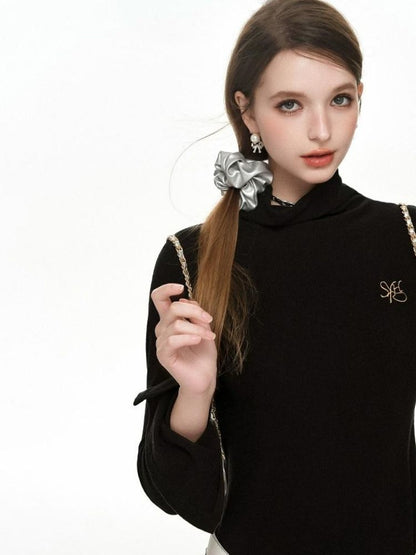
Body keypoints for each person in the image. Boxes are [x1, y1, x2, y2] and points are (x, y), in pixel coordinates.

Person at [133, 0, 416, 553]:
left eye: (340, 99)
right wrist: (195, 391)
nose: (321, 129)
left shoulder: (406, 238)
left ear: (361, 98)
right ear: (247, 112)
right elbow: (176, 491)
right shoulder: (192, 258)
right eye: (290, 104)